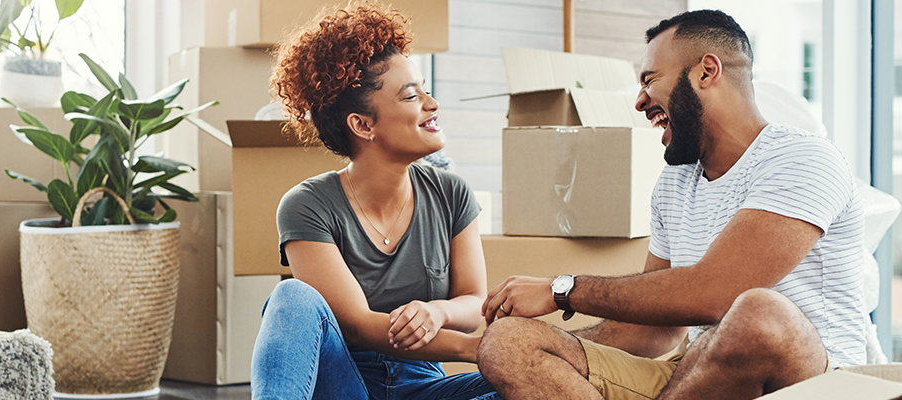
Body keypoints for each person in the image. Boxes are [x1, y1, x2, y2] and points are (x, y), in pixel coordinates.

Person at [475, 9, 866, 400]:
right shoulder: (675, 183)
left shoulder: (803, 159)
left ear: (706, 72)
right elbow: (655, 330)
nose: (640, 101)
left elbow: (715, 295)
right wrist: (558, 346)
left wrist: (563, 290)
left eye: (649, 80)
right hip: (696, 373)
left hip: (816, 384)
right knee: (509, 342)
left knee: (760, 315)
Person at [250, 2, 499, 399]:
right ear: (363, 125)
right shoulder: (307, 205)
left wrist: (439, 312)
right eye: (411, 97)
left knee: (530, 378)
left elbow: (473, 302)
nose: (432, 105)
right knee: (291, 295)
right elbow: (358, 325)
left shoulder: (452, 193)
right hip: (344, 384)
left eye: (427, 91)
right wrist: (474, 350)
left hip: (425, 387)